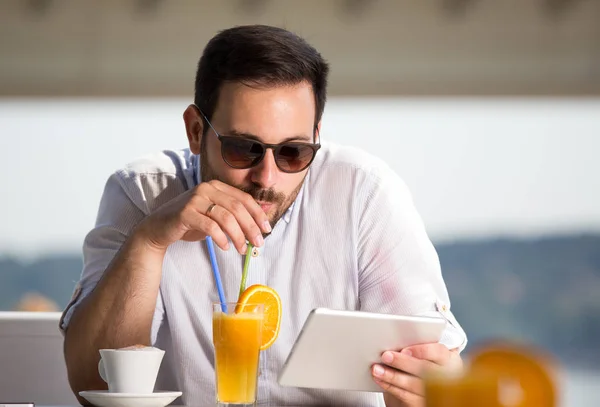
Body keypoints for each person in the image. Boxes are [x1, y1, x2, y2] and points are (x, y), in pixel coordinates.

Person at [61, 24, 466, 407]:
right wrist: (150, 241)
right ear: (196, 132)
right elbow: (90, 384)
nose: (266, 177)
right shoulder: (142, 194)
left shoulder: (365, 194)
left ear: (316, 137)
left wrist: (427, 385)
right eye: (243, 148)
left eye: (294, 152)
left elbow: (435, 370)